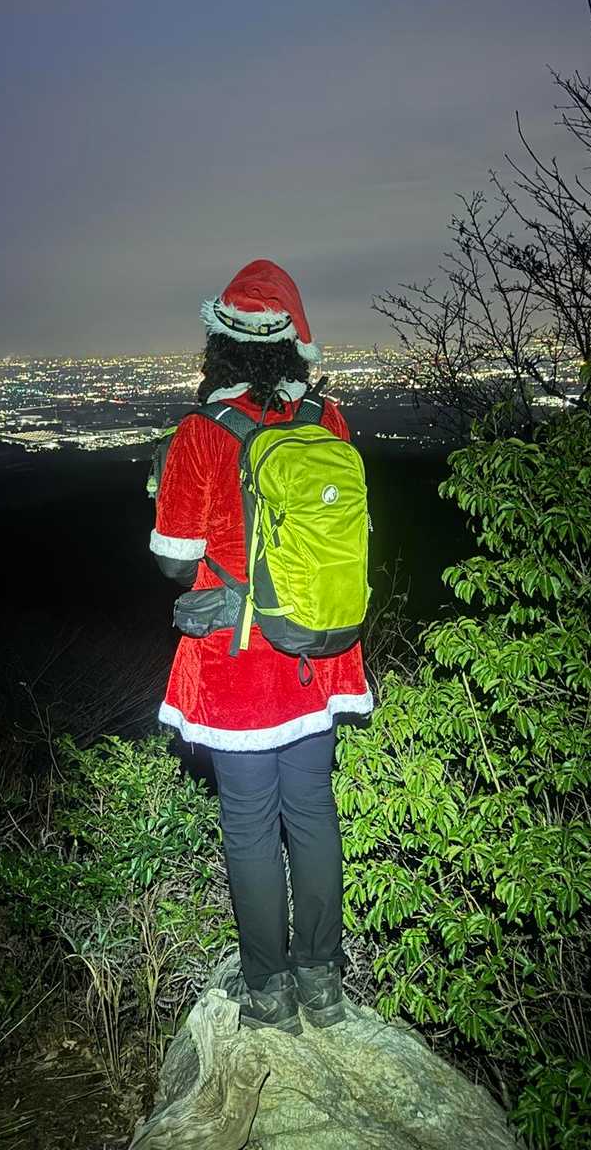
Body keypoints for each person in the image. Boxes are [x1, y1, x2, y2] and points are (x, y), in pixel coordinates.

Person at [150, 259, 373, 1035]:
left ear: (220, 345)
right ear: (291, 345)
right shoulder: (327, 419)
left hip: (238, 663)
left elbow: (174, 557)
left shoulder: (201, 433)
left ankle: (269, 992)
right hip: (319, 653)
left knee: (250, 824)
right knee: (312, 811)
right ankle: (323, 984)